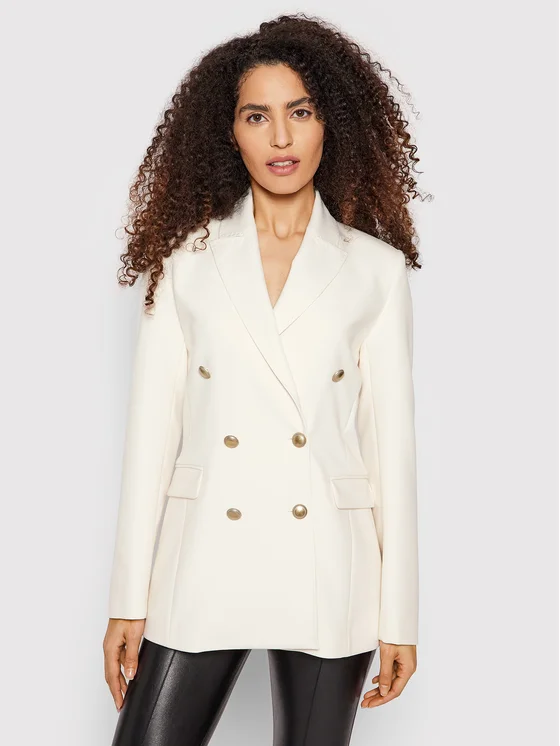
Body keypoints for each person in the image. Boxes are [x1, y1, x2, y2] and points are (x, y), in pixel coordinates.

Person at [103, 12, 426, 746]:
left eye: (300, 113)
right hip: (202, 559)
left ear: (330, 123)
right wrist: (128, 598)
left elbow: (391, 452)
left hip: (328, 566)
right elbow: (151, 438)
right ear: (230, 132)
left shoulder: (375, 270)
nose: (281, 138)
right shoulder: (185, 260)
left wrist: (399, 615)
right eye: (257, 116)